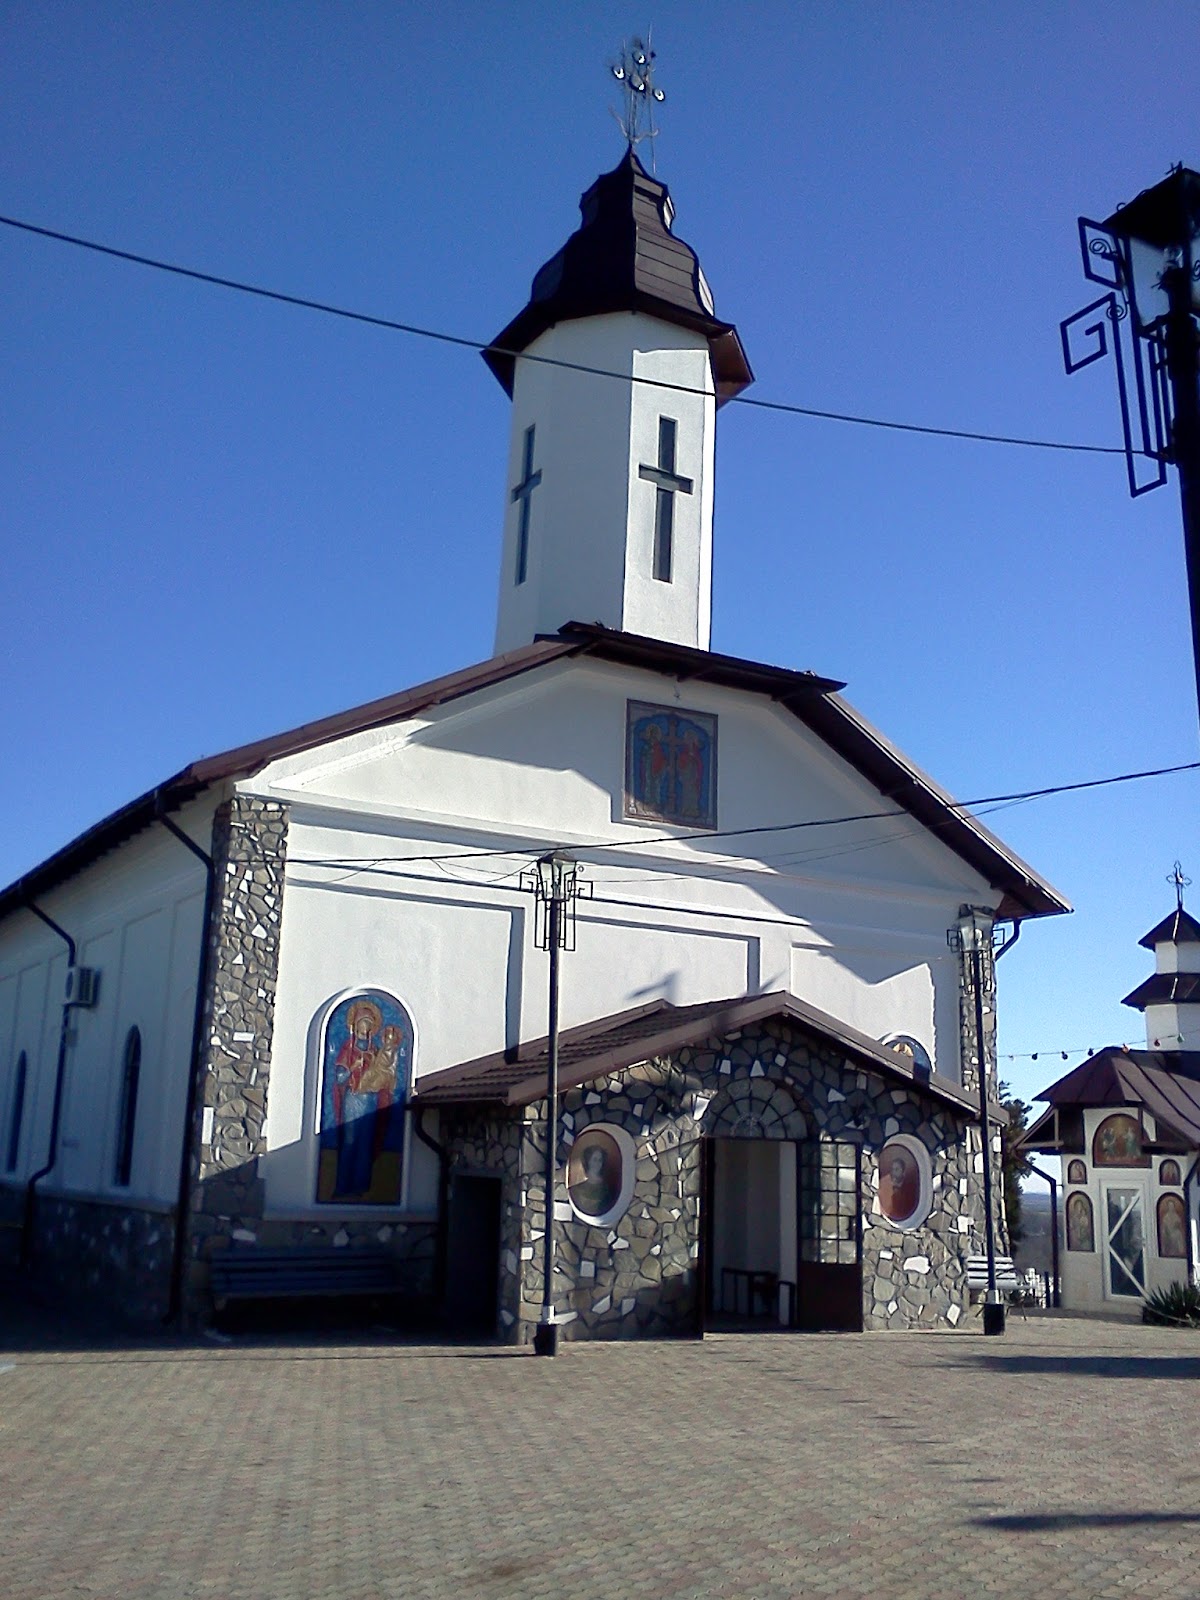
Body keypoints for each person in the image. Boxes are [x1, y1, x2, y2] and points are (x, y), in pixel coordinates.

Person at [571, 1140, 617, 1218]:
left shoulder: (607, 1188)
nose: (597, 1164)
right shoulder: (577, 1188)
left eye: (600, 1160)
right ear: (588, 1161)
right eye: (595, 1160)